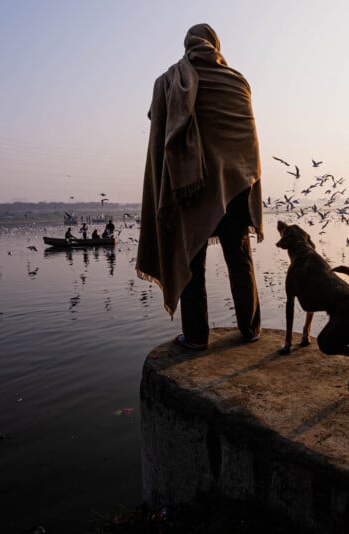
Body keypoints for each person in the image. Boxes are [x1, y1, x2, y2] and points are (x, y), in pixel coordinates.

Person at [136, 23, 263, 350]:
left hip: (194, 186)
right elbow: (248, 143)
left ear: (188, 44)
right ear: (215, 44)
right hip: (236, 185)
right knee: (239, 257)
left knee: (191, 257)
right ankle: (250, 330)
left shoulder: (171, 80)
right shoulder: (238, 82)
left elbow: (158, 123)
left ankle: (195, 337)